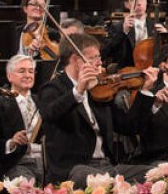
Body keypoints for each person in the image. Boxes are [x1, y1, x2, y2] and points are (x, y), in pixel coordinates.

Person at [38, 33, 155, 185]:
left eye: (99, 57)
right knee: (94, 178)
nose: (100, 63)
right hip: (74, 170)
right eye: (93, 58)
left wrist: (144, 92)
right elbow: (50, 113)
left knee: (155, 174)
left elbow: (129, 126)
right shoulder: (52, 89)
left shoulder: (99, 90)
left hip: (106, 167)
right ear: (76, 60)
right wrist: (78, 91)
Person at [0, 55, 43, 182]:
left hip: (46, 162)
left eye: (31, 71)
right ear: (9, 76)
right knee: (26, 186)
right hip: (16, 164)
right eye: (22, 71)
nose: (28, 75)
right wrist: (11, 142)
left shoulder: (43, 102)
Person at [102, 0, 161, 67]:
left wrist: (166, 38)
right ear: (126, 4)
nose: (139, 3)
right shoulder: (117, 27)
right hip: (128, 72)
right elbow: (106, 53)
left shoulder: (156, 26)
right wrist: (124, 32)